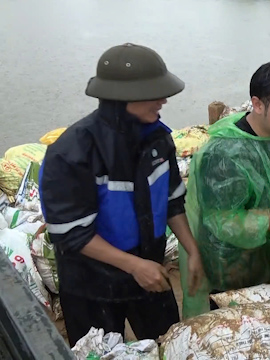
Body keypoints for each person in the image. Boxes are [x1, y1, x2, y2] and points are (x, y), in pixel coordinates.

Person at [38, 43, 205, 346]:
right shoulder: (71, 152)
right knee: (98, 350)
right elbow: (72, 234)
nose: (164, 100)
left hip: (150, 271)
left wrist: (192, 250)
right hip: (92, 282)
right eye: (154, 93)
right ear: (123, 98)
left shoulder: (158, 138)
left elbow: (172, 200)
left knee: (168, 343)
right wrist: (133, 266)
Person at [181, 60, 270, 318]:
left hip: (267, 252)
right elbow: (221, 220)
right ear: (258, 104)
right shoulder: (224, 154)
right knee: (232, 322)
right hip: (229, 262)